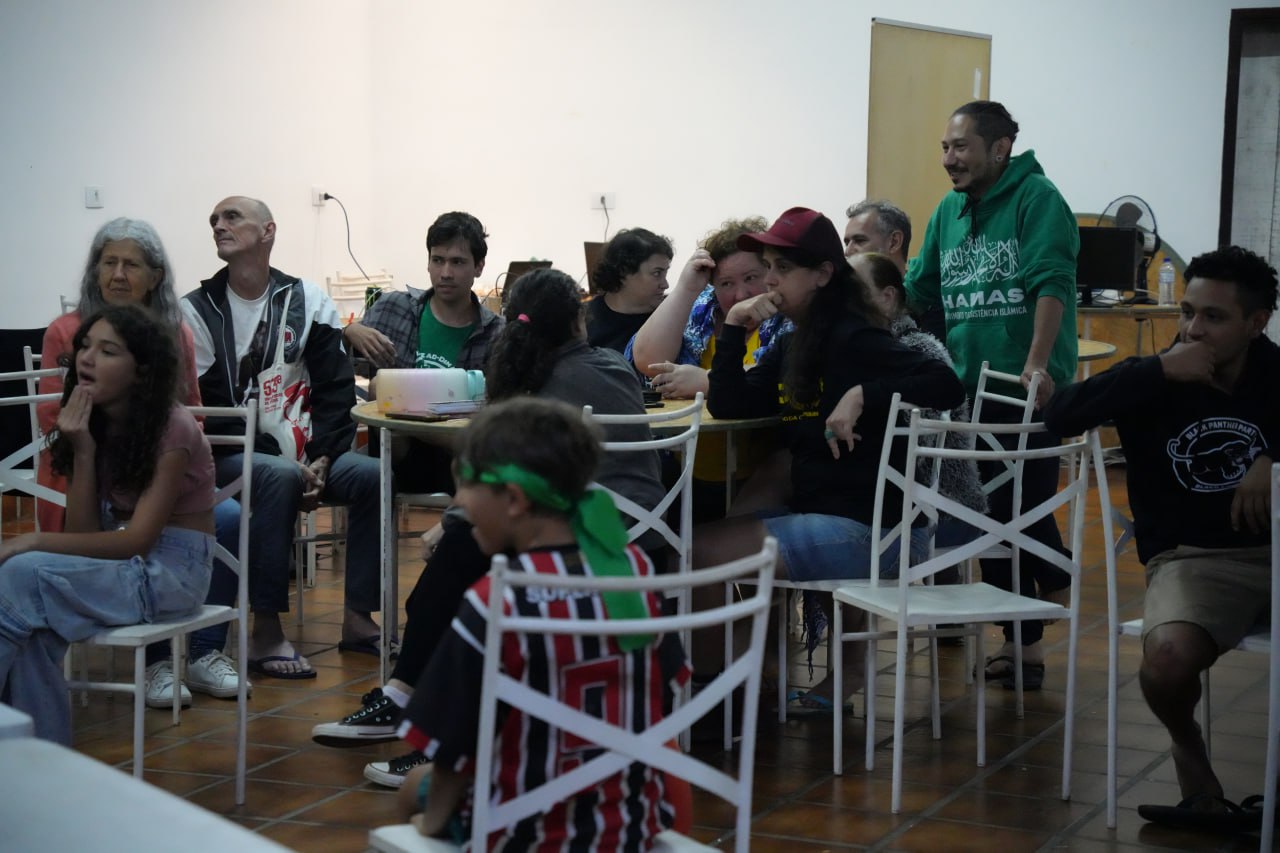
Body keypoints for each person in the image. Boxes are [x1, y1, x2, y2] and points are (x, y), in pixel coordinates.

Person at [311, 268, 666, 787]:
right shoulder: (613, 366)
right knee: (464, 554)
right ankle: (416, 711)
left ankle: (432, 732)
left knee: (462, 567)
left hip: (579, 535)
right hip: (640, 538)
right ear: (579, 320)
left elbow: (512, 483)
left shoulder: (532, 390)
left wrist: (455, 520)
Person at [690, 207, 964, 711]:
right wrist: (734, 328)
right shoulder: (797, 341)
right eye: (768, 267)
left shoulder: (852, 336)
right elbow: (731, 403)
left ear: (822, 274)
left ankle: (714, 705)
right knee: (706, 544)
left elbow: (946, 383)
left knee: (700, 554)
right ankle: (733, 690)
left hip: (877, 536)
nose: (770, 281)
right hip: (833, 517)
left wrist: (863, 393)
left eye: (783, 269)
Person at [1044, 246, 1279, 826]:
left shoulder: (1276, 372)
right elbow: (1059, 416)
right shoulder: (1153, 376)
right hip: (1194, 560)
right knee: (1167, 662)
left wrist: (1273, 458)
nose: (1193, 330)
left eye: (1214, 318)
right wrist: (1155, 370)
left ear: (1256, 323)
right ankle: (1190, 754)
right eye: (1187, 312)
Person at [390, 396, 686, 848]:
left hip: (525, 833)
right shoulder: (633, 570)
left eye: (466, 487)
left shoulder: (498, 598)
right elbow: (665, 682)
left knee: (416, 787)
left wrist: (429, 827)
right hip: (631, 823)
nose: (459, 502)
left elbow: (451, 747)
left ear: (513, 499)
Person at [904, 100, 1079, 689]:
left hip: (1022, 386)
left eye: (961, 147)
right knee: (990, 517)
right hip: (965, 385)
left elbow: (1052, 282)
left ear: (1000, 148)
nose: (949, 159)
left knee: (1018, 512)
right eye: (945, 148)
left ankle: (1034, 620)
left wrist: (1036, 364)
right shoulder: (948, 211)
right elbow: (920, 286)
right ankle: (1028, 634)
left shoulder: (1038, 198)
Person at [36, 218, 242, 708]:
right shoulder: (68, 332)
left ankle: (201, 653)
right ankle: (149, 664)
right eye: (108, 262)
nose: (118, 274)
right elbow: (53, 416)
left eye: (130, 264)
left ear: (155, 276)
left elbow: (190, 411)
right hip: (85, 462)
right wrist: (93, 441)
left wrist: (165, 449)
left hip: (162, 466)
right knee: (23, 590)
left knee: (232, 514)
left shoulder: (173, 338)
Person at [182, 196, 382, 679]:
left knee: (375, 477)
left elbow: (336, 389)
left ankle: (358, 617)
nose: (219, 225)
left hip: (309, 453)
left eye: (232, 217)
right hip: (232, 455)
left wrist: (323, 457)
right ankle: (266, 630)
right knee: (276, 477)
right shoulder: (196, 310)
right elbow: (212, 411)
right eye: (214, 220)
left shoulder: (306, 299)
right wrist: (290, 463)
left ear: (267, 231)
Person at [0, 304, 216, 744]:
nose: (87, 357)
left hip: (173, 573)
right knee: (29, 633)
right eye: (84, 346)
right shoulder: (97, 421)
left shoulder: (172, 426)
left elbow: (137, 542)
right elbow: (82, 536)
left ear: (141, 371)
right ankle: (41, 757)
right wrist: (83, 449)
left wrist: (33, 541)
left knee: (20, 574)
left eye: (108, 351)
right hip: (123, 567)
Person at [626, 216, 790, 521]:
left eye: (751, 278)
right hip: (687, 467)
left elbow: (784, 382)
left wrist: (707, 380)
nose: (741, 295)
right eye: (726, 284)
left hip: (762, 468)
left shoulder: (787, 316)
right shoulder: (702, 309)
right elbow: (646, 359)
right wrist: (686, 288)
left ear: (770, 273)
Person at [341, 212, 504, 492]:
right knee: (380, 387)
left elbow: (496, 411)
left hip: (457, 458)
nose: (446, 273)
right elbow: (334, 364)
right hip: (395, 455)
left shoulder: (496, 333)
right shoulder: (393, 308)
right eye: (437, 260)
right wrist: (347, 332)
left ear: (479, 266)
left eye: (457, 262)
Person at [586, 227, 672, 352]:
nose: (665, 284)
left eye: (665, 274)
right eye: (657, 273)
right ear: (624, 272)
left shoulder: (671, 319)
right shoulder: (583, 321)